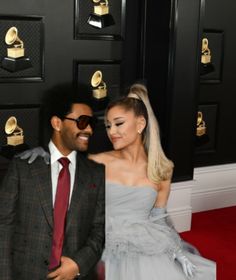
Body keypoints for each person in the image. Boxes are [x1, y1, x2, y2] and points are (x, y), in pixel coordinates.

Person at [17, 83, 216, 279]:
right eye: (108, 125)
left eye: (119, 123)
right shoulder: (99, 161)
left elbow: (160, 219)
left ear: (140, 124)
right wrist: (45, 155)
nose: (112, 132)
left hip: (143, 245)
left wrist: (177, 252)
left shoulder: (162, 170)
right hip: (100, 245)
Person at [0, 83, 105, 280]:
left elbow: (100, 229)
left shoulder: (96, 174)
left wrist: (78, 264)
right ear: (57, 123)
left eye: (91, 122)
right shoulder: (23, 167)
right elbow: (3, 229)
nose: (90, 129)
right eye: (82, 122)